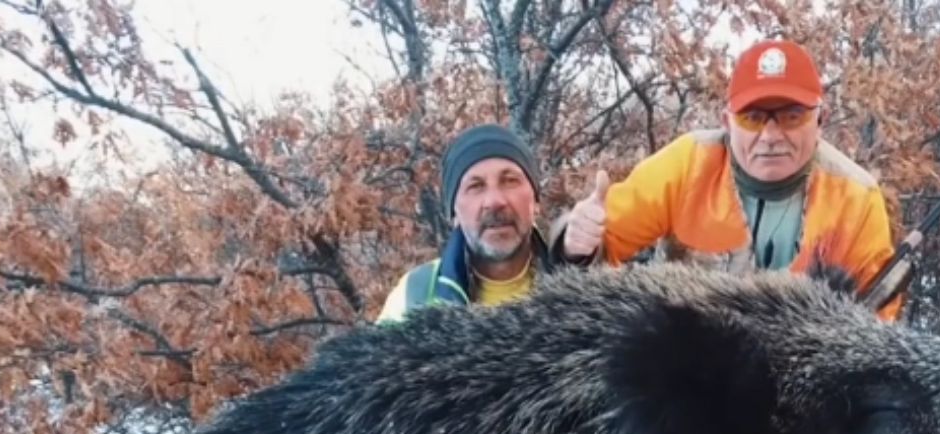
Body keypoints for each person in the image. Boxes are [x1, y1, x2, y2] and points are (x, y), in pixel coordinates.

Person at [555, 39, 904, 319]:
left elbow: (878, 318)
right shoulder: (687, 164)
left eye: (791, 116)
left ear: (821, 119)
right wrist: (577, 245)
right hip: (691, 370)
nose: (770, 135)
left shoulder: (856, 198)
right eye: (753, 118)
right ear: (726, 121)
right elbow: (594, 254)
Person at [378, 123, 562, 321]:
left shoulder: (580, 287)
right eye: (476, 186)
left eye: (509, 181)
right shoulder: (413, 296)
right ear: (454, 213)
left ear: (535, 200)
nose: (495, 201)